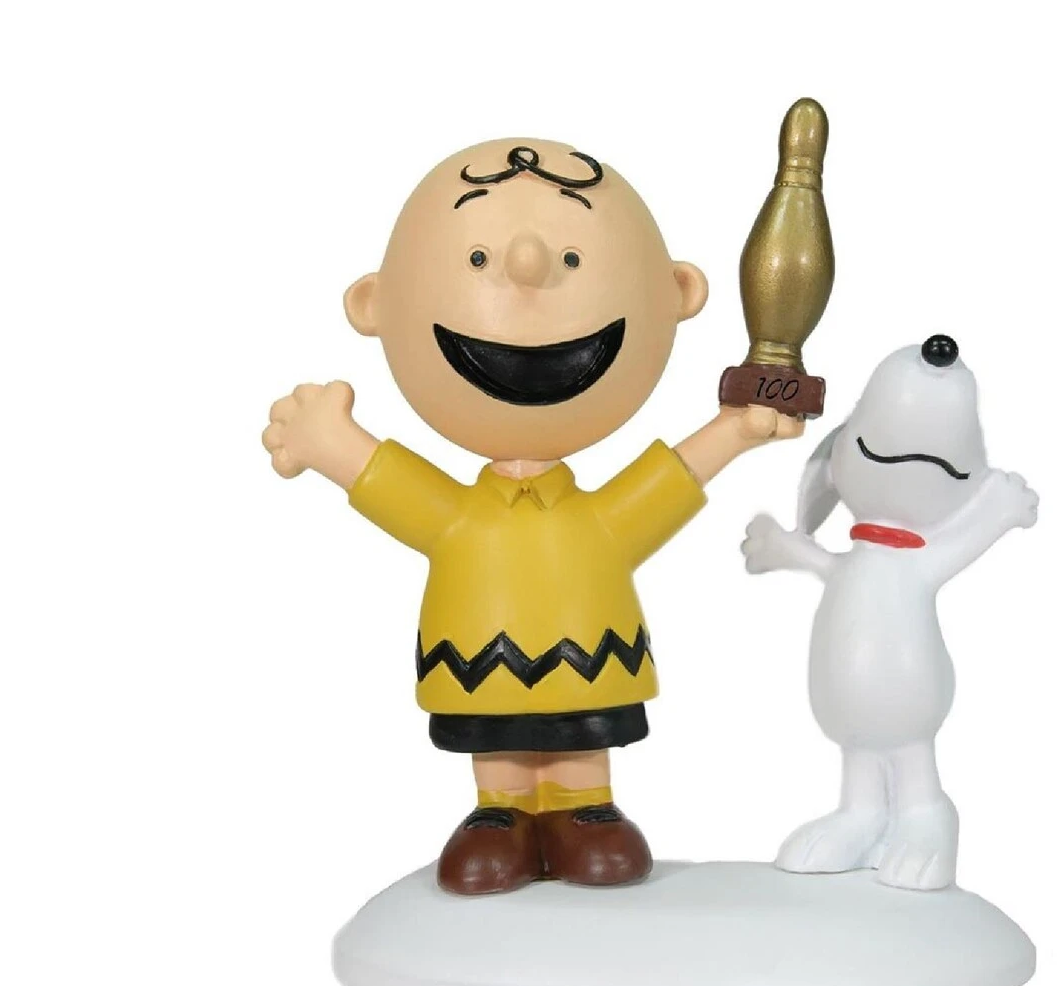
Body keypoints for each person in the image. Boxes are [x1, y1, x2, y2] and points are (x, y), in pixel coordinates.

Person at [263, 138, 800, 894]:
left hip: (591, 656)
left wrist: (735, 431)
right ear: (372, 305)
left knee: (582, 739)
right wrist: (331, 443)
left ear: (675, 293)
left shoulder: (593, 518)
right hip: (479, 656)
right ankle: (502, 809)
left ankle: (583, 806)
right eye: (477, 259)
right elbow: (387, 482)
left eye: (573, 259)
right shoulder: (459, 516)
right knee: (499, 742)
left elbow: (668, 483)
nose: (525, 265)